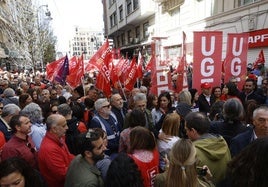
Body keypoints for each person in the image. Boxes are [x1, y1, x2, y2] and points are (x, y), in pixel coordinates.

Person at [185, 112, 231, 185]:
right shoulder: (223, 144)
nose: (186, 133)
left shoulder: (191, 152)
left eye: (186, 130)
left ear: (193, 131)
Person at [38, 114, 74, 187]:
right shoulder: (49, 149)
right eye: (64, 126)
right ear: (54, 129)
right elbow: (62, 174)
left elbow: (68, 156)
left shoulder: (59, 138)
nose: (67, 128)